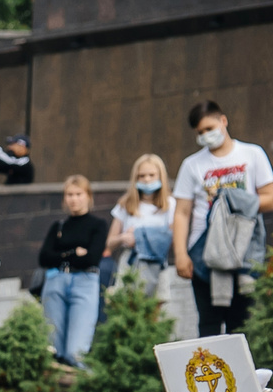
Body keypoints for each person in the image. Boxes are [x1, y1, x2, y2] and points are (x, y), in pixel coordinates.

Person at [172, 100, 273, 339]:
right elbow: (181, 212)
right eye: (200, 132)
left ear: (223, 121)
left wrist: (238, 202)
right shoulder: (191, 165)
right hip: (203, 254)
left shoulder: (252, 154)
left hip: (244, 252)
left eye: (209, 128)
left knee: (243, 324)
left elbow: (269, 196)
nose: (206, 135)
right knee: (209, 324)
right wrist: (180, 254)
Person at [113, 154, 193, 336]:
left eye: (151, 175)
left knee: (152, 317)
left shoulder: (171, 204)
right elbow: (110, 242)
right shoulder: (126, 204)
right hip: (130, 265)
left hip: (157, 265)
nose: (147, 180)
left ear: (160, 176)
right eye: (142, 176)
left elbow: (174, 235)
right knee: (127, 316)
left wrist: (142, 236)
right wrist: (124, 238)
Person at [39, 176, 110, 366]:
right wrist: (73, 253)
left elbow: (92, 258)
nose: (74, 199)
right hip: (56, 282)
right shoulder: (59, 226)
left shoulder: (98, 224)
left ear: (88, 196)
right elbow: (44, 257)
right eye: (69, 194)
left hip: (85, 282)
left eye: (78, 194)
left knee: (75, 353)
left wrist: (61, 254)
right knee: (54, 350)